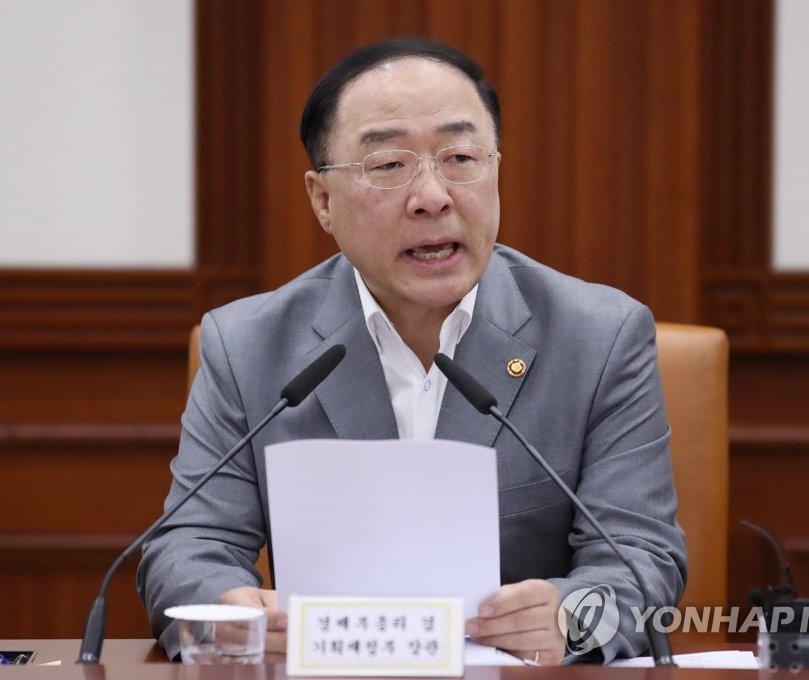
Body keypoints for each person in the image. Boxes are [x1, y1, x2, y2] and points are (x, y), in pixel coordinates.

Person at [137, 37, 687, 665]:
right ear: (322, 200)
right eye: (389, 165)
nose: (433, 196)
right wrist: (229, 613)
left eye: (460, 158)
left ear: (496, 170)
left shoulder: (599, 337)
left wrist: (572, 618)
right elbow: (188, 547)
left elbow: (642, 559)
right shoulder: (248, 345)